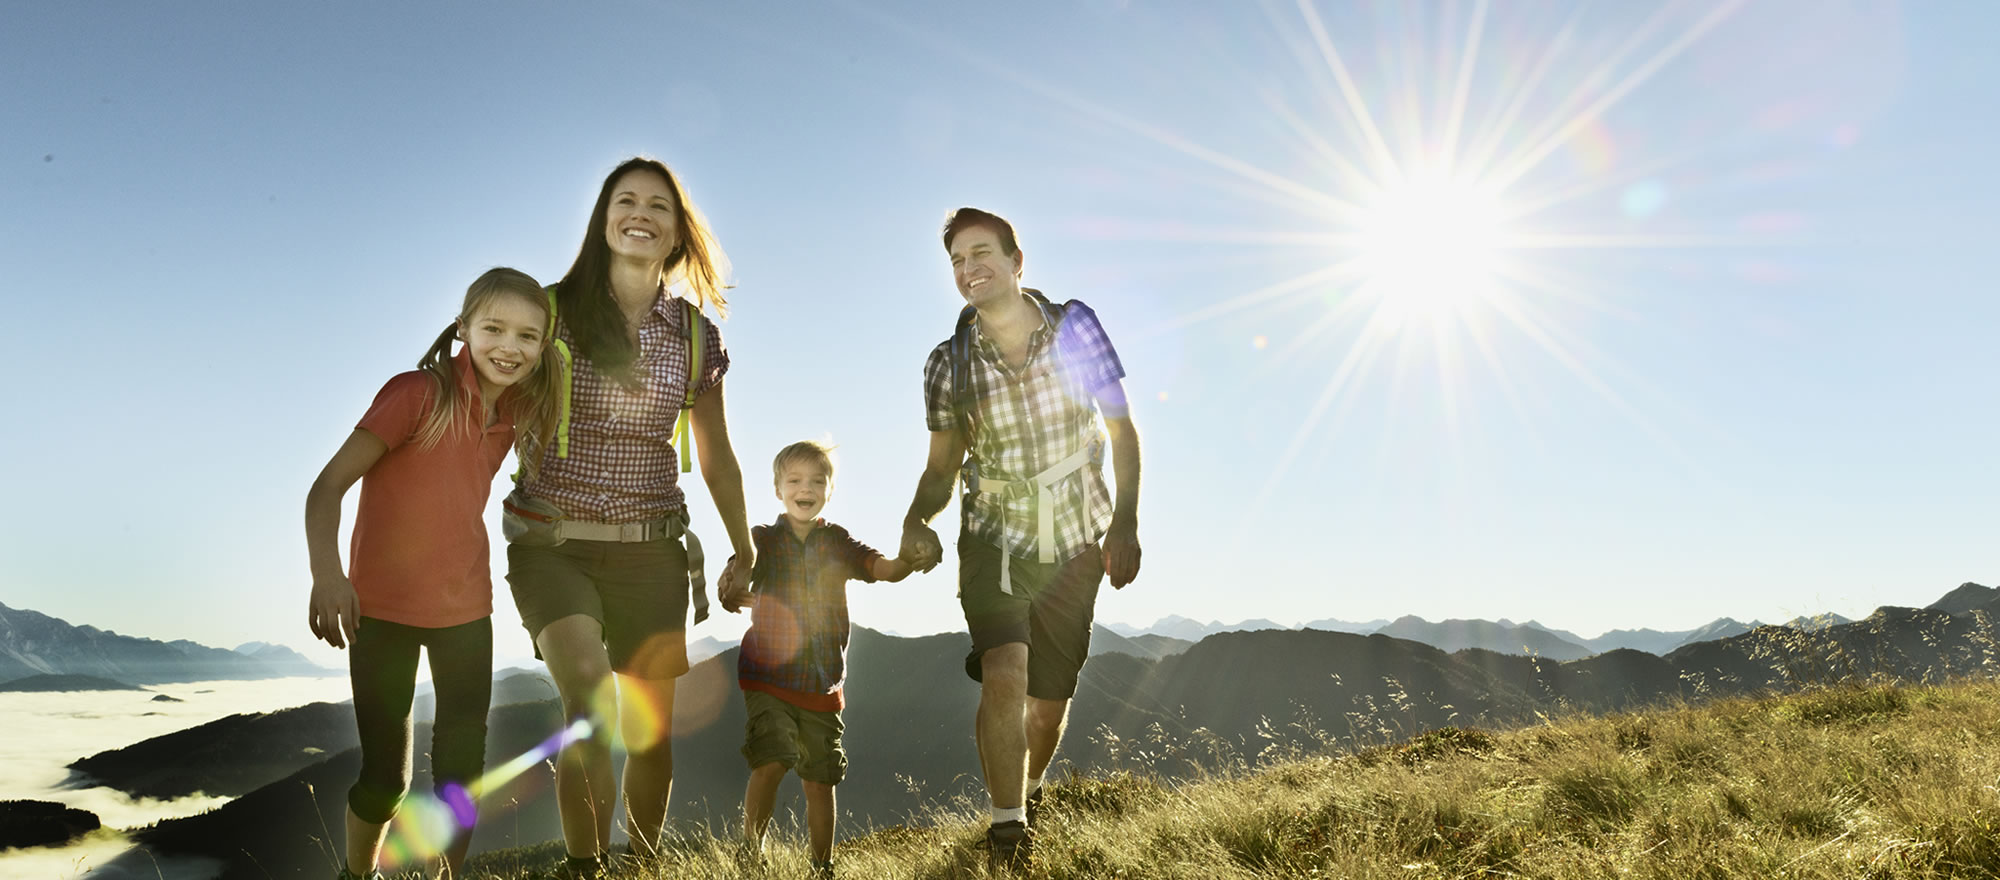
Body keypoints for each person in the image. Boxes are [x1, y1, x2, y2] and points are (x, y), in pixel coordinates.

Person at [504, 157, 756, 878]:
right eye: (625, 201)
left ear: (678, 232)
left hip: (652, 549)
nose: (640, 213)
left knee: (649, 736)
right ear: (604, 218)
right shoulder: (548, 313)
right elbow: (484, 405)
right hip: (552, 545)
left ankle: (644, 865)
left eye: (658, 206)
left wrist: (743, 549)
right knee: (588, 701)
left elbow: (718, 457)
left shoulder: (695, 337)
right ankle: (587, 868)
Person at [899, 208, 1143, 871]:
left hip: (1074, 536)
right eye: (956, 260)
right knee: (1004, 672)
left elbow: (1121, 428)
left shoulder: (1074, 326)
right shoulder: (946, 363)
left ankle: (1027, 793)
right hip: (992, 533)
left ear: (1016, 261)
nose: (969, 268)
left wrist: (1125, 522)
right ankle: (1008, 831)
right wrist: (918, 517)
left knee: (1047, 704)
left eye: (981, 253)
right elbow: (942, 464)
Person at [305, 267, 563, 880]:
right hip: (381, 612)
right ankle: (356, 875)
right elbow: (326, 489)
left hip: (467, 613)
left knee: (461, 776)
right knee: (384, 781)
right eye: (494, 328)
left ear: (544, 345)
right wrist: (328, 576)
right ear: (463, 328)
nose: (510, 347)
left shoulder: (521, 411)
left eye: (528, 336)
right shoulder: (417, 393)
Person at [721, 440, 915, 878]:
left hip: (823, 681)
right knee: (771, 759)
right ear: (777, 490)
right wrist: (727, 585)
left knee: (820, 778)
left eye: (816, 481)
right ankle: (751, 855)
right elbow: (735, 569)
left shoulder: (837, 542)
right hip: (767, 675)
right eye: (793, 480)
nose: (804, 488)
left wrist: (907, 560)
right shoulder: (762, 540)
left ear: (830, 490)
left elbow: (878, 566)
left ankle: (822, 866)